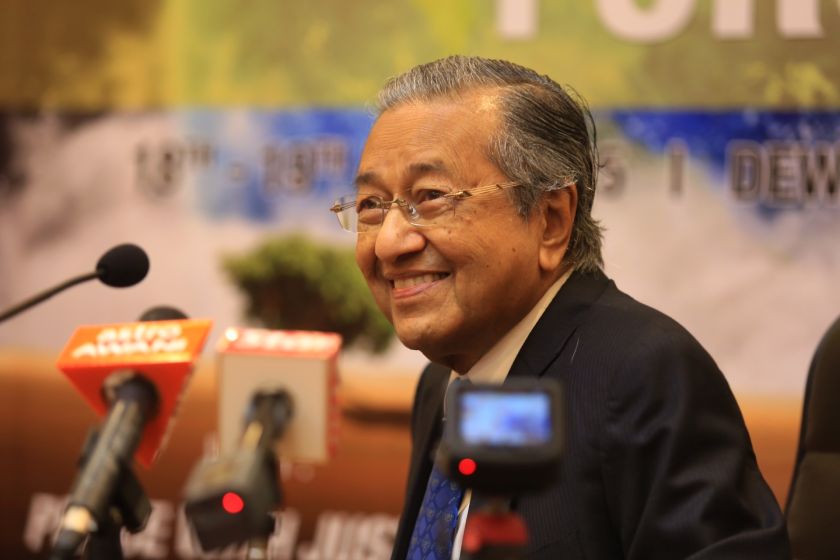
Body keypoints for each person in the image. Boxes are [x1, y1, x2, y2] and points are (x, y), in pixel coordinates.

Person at [330, 55, 790, 559]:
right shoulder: (444, 384)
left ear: (551, 220)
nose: (389, 243)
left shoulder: (644, 376)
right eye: (372, 205)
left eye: (433, 196)